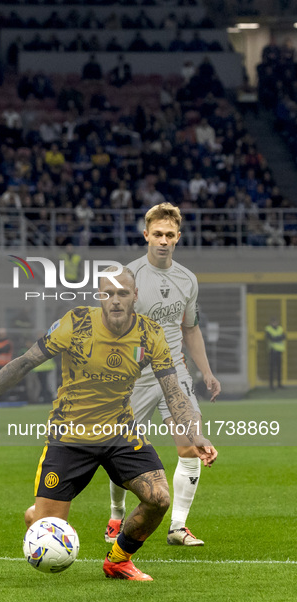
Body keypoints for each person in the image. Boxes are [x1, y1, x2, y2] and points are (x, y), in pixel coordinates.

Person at [0, 268, 217, 582]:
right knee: (46, 527)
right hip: (70, 436)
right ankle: (37, 514)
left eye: (122, 293)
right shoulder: (76, 323)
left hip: (120, 433)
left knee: (158, 498)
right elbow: (26, 361)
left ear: (135, 296)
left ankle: (118, 561)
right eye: (108, 293)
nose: (115, 300)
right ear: (99, 296)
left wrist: (194, 433)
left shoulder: (151, 333)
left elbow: (172, 389)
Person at [104, 203, 221, 548]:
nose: (163, 240)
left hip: (175, 374)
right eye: (157, 234)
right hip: (134, 376)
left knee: (190, 445)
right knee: (120, 448)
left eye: (170, 235)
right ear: (146, 236)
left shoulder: (187, 279)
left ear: (178, 238)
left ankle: (178, 528)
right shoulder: (128, 277)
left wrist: (207, 372)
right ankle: (116, 514)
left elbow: (191, 329)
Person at [265, 317, 286, 389]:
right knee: (272, 369)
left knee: (279, 368)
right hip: (272, 351)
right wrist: (278, 337)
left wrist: (276, 338)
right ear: (271, 322)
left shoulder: (280, 328)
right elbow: (271, 338)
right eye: (273, 322)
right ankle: (271, 385)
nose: (275, 323)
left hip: (279, 351)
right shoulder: (268, 329)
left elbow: (284, 336)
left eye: (276, 322)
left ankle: (279, 384)